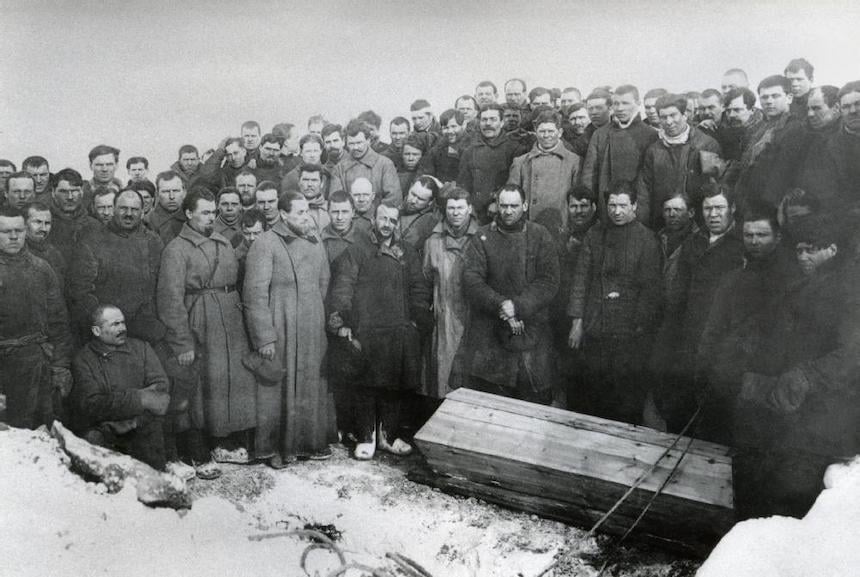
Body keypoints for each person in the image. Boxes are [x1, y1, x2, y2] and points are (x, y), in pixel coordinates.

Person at [731, 215, 860, 520]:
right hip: (789, 408)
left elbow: (852, 353)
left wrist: (806, 376)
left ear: (833, 249)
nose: (803, 257)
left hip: (823, 413)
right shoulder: (804, 284)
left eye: (811, 250)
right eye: (799, 250)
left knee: (794, 491)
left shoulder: (849, 291)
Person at [157, 189, 257, 469]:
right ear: (188, 214)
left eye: (213, 212)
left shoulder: (222, 241)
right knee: (201, 387)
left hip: (229, 318)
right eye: (204, 212)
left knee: (226, 382)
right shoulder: (176, 249)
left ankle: (223, 442)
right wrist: (182, 343)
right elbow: (170, 300)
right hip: (200, 319)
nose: (211, 218)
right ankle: (197, 449)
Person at [327, 201, 432, 460]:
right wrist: (346, 321)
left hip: (399, 331)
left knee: (393, 387)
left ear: (398, 223)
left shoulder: (407, 251)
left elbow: (419, 288)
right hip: (368, 330)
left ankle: (389, 436)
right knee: (366, 386)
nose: (387, 225)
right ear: (374, 218)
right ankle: (366, 437)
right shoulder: (357, 250)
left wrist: (417, 320)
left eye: (393, 220)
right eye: (383, 219)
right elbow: (343, 287)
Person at [243, 191, 334, 466]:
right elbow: (254, 293)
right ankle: (275, 448)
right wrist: (264, 337)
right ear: (283, 214)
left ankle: (308, 441)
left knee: (310, 382)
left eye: (308, 211)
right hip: (279, 322)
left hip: (310, 322)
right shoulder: (265, 243)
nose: (306, 217)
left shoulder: (314, 239)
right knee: (276, 386)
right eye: (300, 212)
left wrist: (312, 309)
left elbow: (324, 280)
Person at [696, 202, 798, 446]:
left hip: (768, 387)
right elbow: (713, 331)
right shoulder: (733, 280)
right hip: (729, 381)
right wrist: (705, 369)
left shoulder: (791, 282)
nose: (754, 241)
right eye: (749, 235)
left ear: (777, 236)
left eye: (762, 235)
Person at [652, 185, 745, 434]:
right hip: (688, 341)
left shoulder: (742, 245)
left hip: (720, 343)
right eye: (708, 208)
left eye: (719, 208)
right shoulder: (694, 242)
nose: (713, 214)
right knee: (680, 413)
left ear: (732, 209)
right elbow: (678, 297)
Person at [568, 181, 661, 424]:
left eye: (622, 205)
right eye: (612, 205)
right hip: (595, 326)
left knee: (624, 398)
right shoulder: (595, 234)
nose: (616, 212)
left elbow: (650, 290)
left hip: (628, 333)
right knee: (592, 393)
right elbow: (581, 278)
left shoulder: (647, 239)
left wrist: (638, 327)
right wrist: (577, 322)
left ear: (635, 206)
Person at [459, 184, 559, 405]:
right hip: (491, 335)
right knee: (493, 404)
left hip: (533, 330)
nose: (508, 211)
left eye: (514, 206)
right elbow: (472, 280)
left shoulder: (540, 235)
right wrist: (500, 303)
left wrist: (519, 306)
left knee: (534, 401)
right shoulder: (482, 236)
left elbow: (549, 281)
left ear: (524, 205)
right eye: (503, 205)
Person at [70, 305, 170, 470]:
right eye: (115, 324)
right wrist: (139, 399)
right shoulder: (83, 360)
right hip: (106, 432)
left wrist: (133, 417)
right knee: (92, 440)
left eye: (123, 323)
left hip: (141, 426)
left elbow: (161, 390)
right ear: (96, 331)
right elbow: (92, 405)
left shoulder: (141, 348)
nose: (122, 328)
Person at [0, 206, 72, 429]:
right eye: (5, 231)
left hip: (36, 366)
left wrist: (60, 366)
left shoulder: (41, 269)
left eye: (19, 230)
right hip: (3, 367)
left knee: (39, 434)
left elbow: (59, 323)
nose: (14, 237)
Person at [69, 188, 165, 345]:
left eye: (134, 209)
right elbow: (80, 291)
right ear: (113, 209)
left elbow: (161, 286)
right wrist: (104, 322)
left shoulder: (153, 241)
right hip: (106, 330)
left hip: (145, 328)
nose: (128, 214)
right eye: (123, 208)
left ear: (142, 212)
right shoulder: (93, 241)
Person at [422, 186, 479, 401]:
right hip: (444, 314)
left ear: (470, 209)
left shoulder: (481, 239)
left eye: (460, 208)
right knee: (444, 371)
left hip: (473, 314)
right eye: (451, 208)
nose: (455, 213)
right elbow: (426, 276)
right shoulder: (433, 242)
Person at [637, 93, 722, 228]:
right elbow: (645, 191)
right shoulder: (653, 150)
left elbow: (713, 187)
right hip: (662, 222)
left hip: (696, 223)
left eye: (673, 115)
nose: (669, 122)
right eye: (663, 117)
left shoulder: (706, 145)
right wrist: (643, 224)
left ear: (684, 115)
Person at [581, 85, 658, 221]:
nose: (620, 108)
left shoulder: (650, 135)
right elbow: (589, 174)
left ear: (638, 104)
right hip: (607, 208)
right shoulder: (600, 134)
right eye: (616, 103)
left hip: (639, 209)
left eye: (625, 103)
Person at [734, 75, 806, 209]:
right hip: (747, 200)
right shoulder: (757, 129)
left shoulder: (795, 128)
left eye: (775, 96)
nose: (769, 101)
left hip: (771, 205)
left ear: (789, 98)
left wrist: (766, 206)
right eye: (764, 97)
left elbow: (783, 172)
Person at [507, 108, 581, 232]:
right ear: (535, 132)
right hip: (528, 227)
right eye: (542, 131)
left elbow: (577, 200)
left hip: (560, 226)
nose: (546, 136)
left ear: (560, 132)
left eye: (551, 131)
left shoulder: (574, 161)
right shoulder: (520, 162)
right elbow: (511, 198)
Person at [457, 103, 528, 224]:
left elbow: (516, 184)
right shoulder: (469, 150)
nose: (488, 123)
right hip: (475, 213)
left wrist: (497, 203)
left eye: (493, 119)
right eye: (484, 120)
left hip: (502, 212)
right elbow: (463, 184)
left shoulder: (515, 149)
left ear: (501, 122)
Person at [331, 119, 402, 207]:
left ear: (368, 140)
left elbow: (393, 198)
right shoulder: (339, 169)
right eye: (351, 144)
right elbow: (336, 201)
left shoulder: (385, 164)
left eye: (359, 143)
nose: (355, 147)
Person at [49, 168, 101, 264]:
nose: (70, 197)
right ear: (53, 192)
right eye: (63, 191)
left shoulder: (94, 226)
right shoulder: (45, 225)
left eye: (74, 191)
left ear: (82, 192)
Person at [23, 202, 67, 292]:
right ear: (24, 223)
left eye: (47, 223)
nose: (43, 228)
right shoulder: (15, 252)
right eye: (38, 222)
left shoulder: (55, 254)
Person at [420, 109, 468, 183]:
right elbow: (427, 174)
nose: (450, 131)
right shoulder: (437, 150)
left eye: (454, 126)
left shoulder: (473, 148)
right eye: (446, 128)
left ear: (463, 125)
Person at [144, 170, 187, 245]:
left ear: (184, 193)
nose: (172, 196)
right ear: (157, 194)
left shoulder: (193, 218)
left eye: (176, 191)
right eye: (166, 191)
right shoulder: (147, 221)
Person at [399, 175, 440, 253]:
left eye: (420, 199)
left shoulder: (429, 219)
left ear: (430, 202)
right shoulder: (399, 205)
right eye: (413, 194)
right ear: (410, 188)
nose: (413, 201)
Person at [572, 89, 613, 158]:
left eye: (599, 108)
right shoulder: (582, 141)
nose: (594, 112)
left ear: (610, 109)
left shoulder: (623, 131)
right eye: (590, 109)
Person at [295, 163, 330, 232]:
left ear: (322, 184)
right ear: (299, 182)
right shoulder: (290, 208)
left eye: (314, 180)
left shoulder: (329, 208)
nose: (309, 184)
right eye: (305, 180)